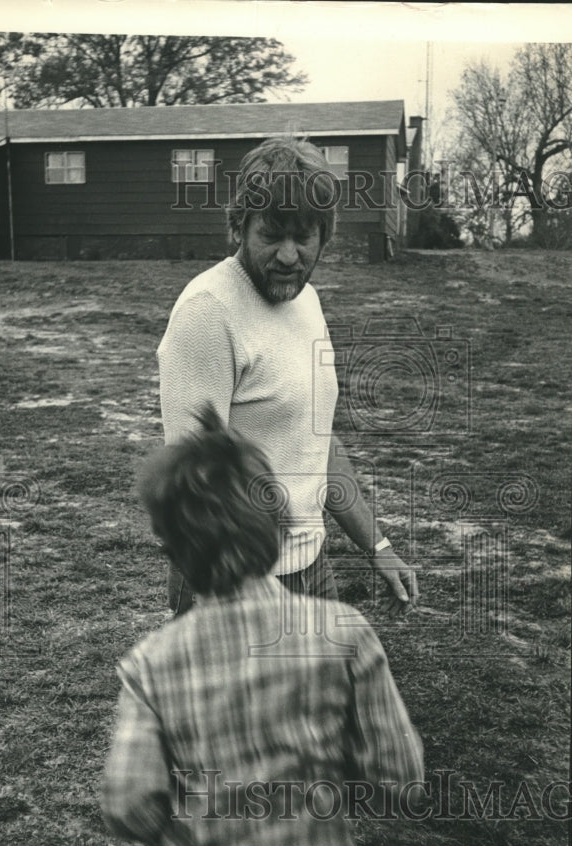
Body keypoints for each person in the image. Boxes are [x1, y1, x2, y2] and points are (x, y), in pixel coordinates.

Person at [101, 406, 425, 846]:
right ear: (279, 525)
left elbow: (127, 806)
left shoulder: (149, 664)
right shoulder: (345, 634)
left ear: (170, 550)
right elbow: (400, 779)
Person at [158, 137, 418, 618]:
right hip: (233, 581)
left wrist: (377, 545)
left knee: (331, 693)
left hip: (310, 567)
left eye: (304, 236)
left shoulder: (307, 303)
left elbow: (315, 440)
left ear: (325, 233)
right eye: (272, 234)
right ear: (240, 226)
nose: (288, 255)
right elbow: (191, 485)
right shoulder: (207, 313)